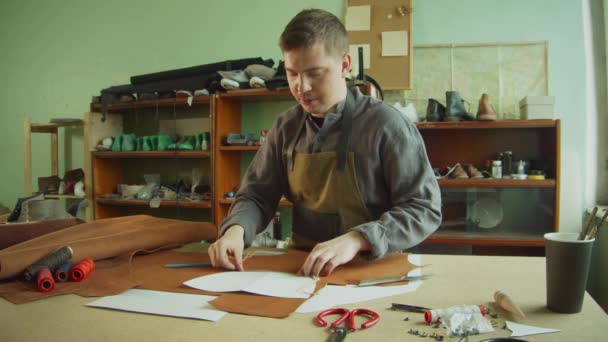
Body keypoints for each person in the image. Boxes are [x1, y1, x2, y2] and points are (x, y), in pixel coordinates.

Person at [209, 8, 441, 277]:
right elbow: (257, 196)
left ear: (344, 65)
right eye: (292, 73)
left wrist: (358, 239)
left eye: (315, 73)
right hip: (304, 269)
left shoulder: (386, 125)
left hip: (371, 269)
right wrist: (236, 230)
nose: (302, 86)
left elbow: (423, 208)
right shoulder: (285, 128)